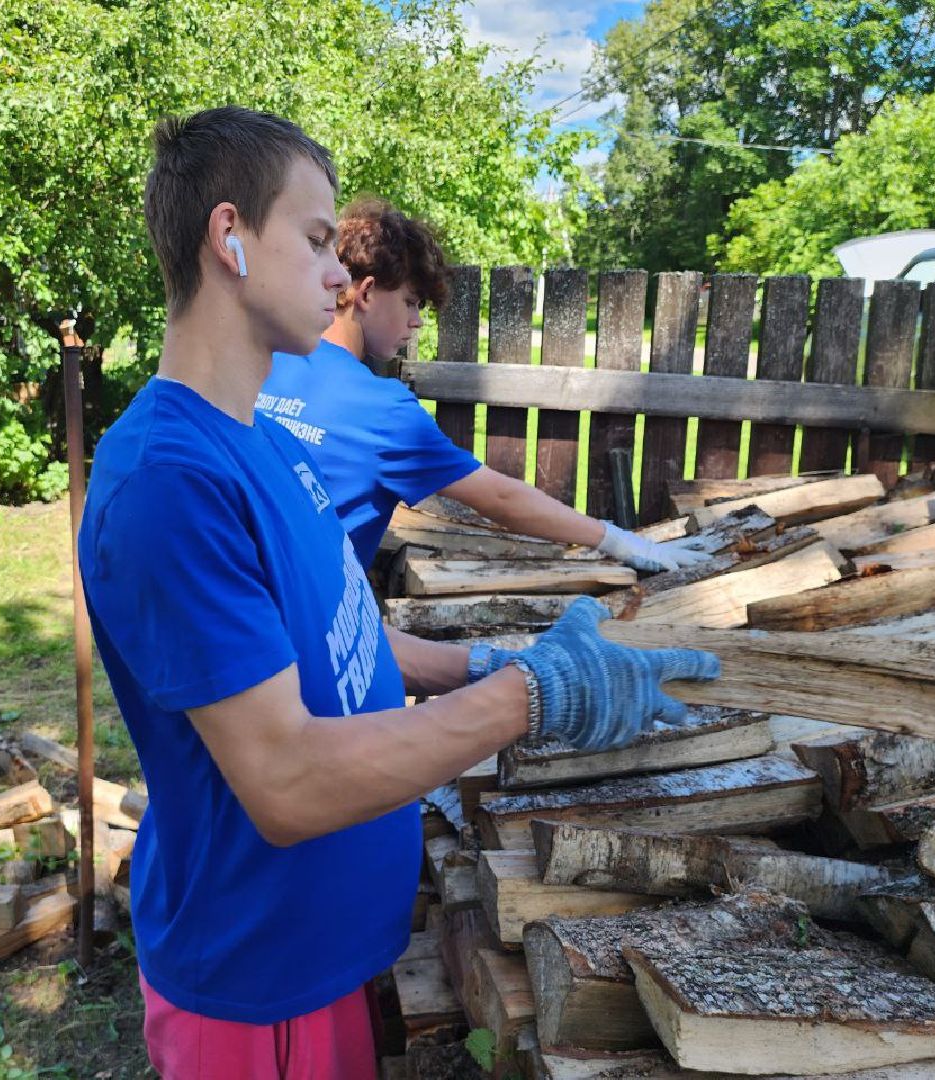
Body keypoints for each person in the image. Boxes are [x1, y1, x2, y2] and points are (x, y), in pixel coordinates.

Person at [78, 106, 719, 1077]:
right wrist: (529, 698)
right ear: (230, 240)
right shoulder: (168, 480)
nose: (341, 275)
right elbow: (287, 782)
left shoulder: (265, 438)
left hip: (322, 959)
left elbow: (342, 641)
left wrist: (486, 663)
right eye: (316, 239)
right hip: (258, 993)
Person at [258, 197, 714, 574]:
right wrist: (618, 540)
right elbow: (500, 497)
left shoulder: (267, 360)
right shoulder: (383, 409)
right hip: (315, 633)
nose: (416, 323)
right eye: (411, 302)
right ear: (367, 291)